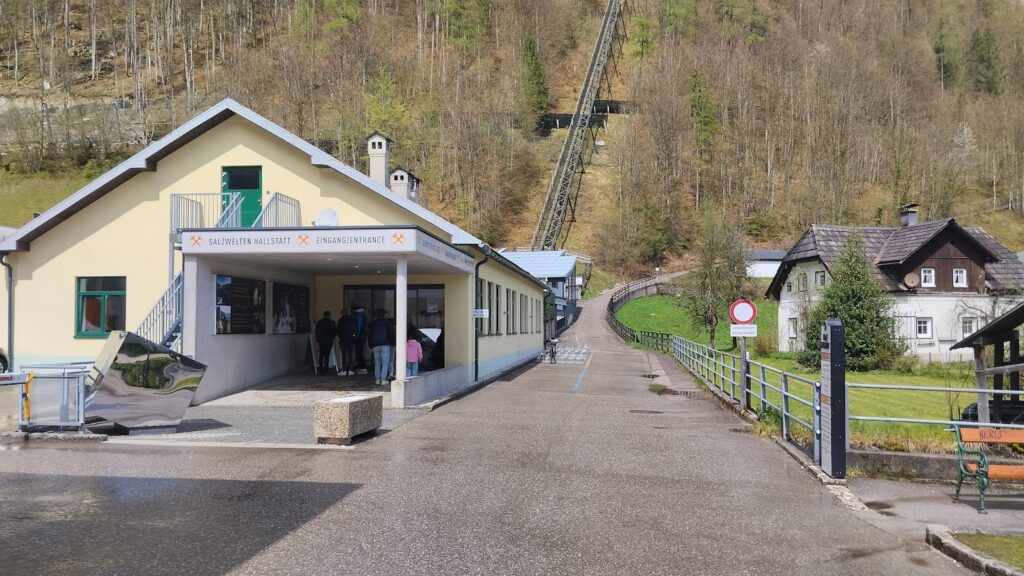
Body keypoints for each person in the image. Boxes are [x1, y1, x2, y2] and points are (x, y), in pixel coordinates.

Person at [368, 309, 394, 386]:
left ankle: (377, 379)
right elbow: (391, 334)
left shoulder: (373, 323)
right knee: (385, 363)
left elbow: (370, 334)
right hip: (385, 345)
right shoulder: (387, 323)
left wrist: (370, 345)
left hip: (375, 345)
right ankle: (383, 380)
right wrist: (393, 343)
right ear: (385, 314)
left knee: (377, 363)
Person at [336, 309, 357, 376]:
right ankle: (351, 369)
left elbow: (338, 330)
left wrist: (341, 336)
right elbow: (355, 329)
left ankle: (344, 369)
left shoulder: (341, 320)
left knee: (344, 354)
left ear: (342, 313)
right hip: (351, 339)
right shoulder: (352, 319)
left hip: (343, 339)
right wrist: (354, 336)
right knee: (351, 354)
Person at [352, 305, 368, 375]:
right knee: (360, 352)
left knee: (359, 353)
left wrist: (355, 337)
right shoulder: (363, 316)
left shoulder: (358, 317)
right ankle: (362, 367)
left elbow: (358, 327)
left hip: (359, 337)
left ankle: (362, 368)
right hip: (363, 337)